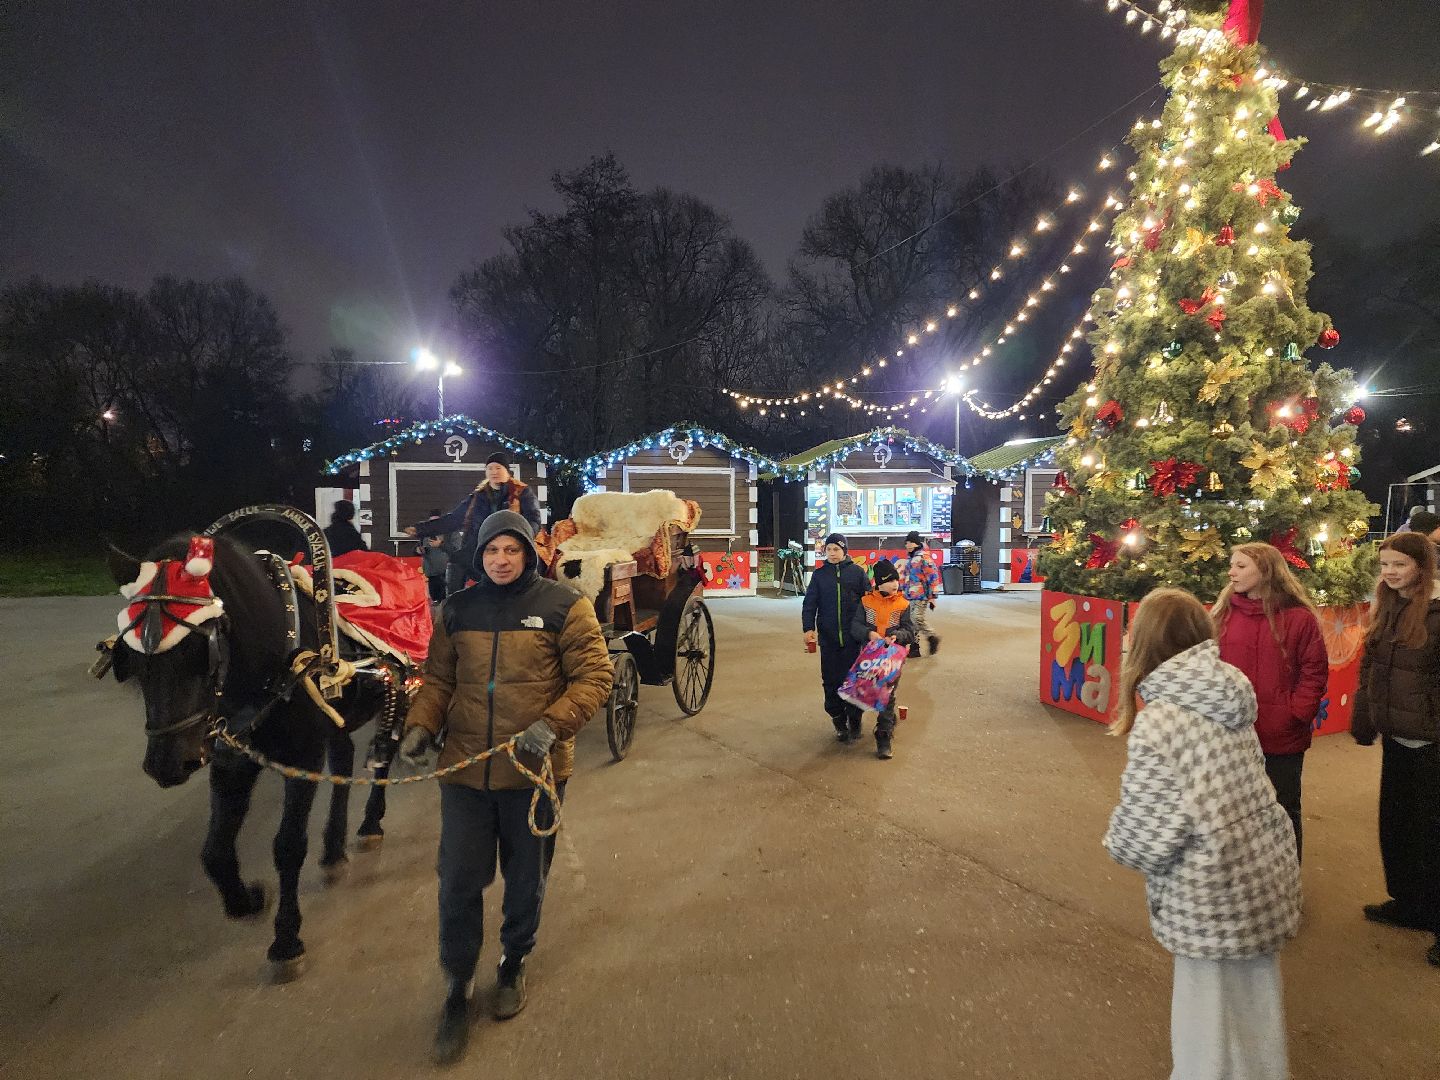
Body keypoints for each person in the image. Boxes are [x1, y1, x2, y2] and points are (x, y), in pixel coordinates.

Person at [397, 510, 613, 1064]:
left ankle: (513, 961)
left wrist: (552, 724)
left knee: (525, 877)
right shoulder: (458, 610)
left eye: (511, 551)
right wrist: (421, 725)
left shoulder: (564, 606)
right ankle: (458, 984)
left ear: (529, 554)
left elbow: (595, 676)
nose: (501, 560)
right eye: (492, 551)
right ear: (480, 555)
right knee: (458, 882)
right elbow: (441, 679)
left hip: (534, 773)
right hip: (466, 772)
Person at [1104, 588, 1300, 1080]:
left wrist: (1121, 845)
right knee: (1256, 998)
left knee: (1205, 1014)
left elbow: (1149, 831)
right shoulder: (1229, 688)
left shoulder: (1163, 722)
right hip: (1261, 867)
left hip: (1209, 887)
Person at [1350, 532, 1440, 969]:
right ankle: (1410, 903)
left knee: (1432, 836)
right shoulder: (1387, 604)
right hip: (1398, 736)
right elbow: (1372, 664)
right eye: (1385, 564)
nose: (1389, 572)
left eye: (1399, 565)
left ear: (1421, 567)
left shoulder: (1437, 612)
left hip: (1432, 742)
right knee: (1398, 827)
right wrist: (1365, 712)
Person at [1211, 542, 1328, 861]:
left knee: (1282, 809)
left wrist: (1297, 713)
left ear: (1265, 572)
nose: (1231, 572)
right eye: (1232, 565)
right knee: (1234, 809)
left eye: (1240, 566)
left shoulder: (1299, 619)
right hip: (1233, 733)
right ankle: (1246, 879)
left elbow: (1313, 670)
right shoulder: (1223, 614)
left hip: (1281, 735)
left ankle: (1285, 879)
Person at [405, 454, 543, 596]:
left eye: (498, 468)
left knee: (526, 570)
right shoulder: (478, 497)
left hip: (511, 545)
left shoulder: (523, 492)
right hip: (480, 546)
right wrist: (420, 529)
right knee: (457, 562)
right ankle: (453, 605)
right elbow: (453, 519)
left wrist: (521, 538)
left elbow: (534, 521)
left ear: (507, 471)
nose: (494, 472)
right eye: (490, 468)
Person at [801, 532, 870, 743]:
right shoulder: (820, 576)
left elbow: (869, 603)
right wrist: (808, 628)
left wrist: (870, 630)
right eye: (829, 549)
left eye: (836, 549)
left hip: (853, 640)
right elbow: (810, 604)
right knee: (831, 682)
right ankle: (839, 720)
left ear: (844, 551)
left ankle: (855, 720)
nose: (832, 553)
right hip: (829, 640)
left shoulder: (858, 574)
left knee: (853, 682)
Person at [848, 558, 916, 760]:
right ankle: (854, 722)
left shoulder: (903, 604)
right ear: (878, 583)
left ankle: (884, 737)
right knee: (860, 691)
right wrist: (868, 634)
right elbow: (855, 627)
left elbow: (911, 631)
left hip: (891, 660)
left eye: (896, 580)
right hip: (868, 658)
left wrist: (898, 636)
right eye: (889, 581)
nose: (895, 584)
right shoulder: (866, 602)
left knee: (887, 697)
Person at [898, 531, 941, 657]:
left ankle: (932, 636)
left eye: (911, 542)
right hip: (908, 595)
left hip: (921, 595)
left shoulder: (924, 557)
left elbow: (932, 577)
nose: (908, 545)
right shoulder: (910, 558)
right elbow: (906, 577)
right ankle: (914, 647)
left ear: (917, 543)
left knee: (916, 618)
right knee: (911, 622)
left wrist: (932, 597)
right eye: (906, 543)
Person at [417, 508, 450, 604]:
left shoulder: (450, 532)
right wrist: (418, 550)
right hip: (431, 572)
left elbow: (456, 548)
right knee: (435, 599)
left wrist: (441, 545)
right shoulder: (425, 533)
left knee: (445, 599)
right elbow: (418, 547)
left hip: (446, 572)